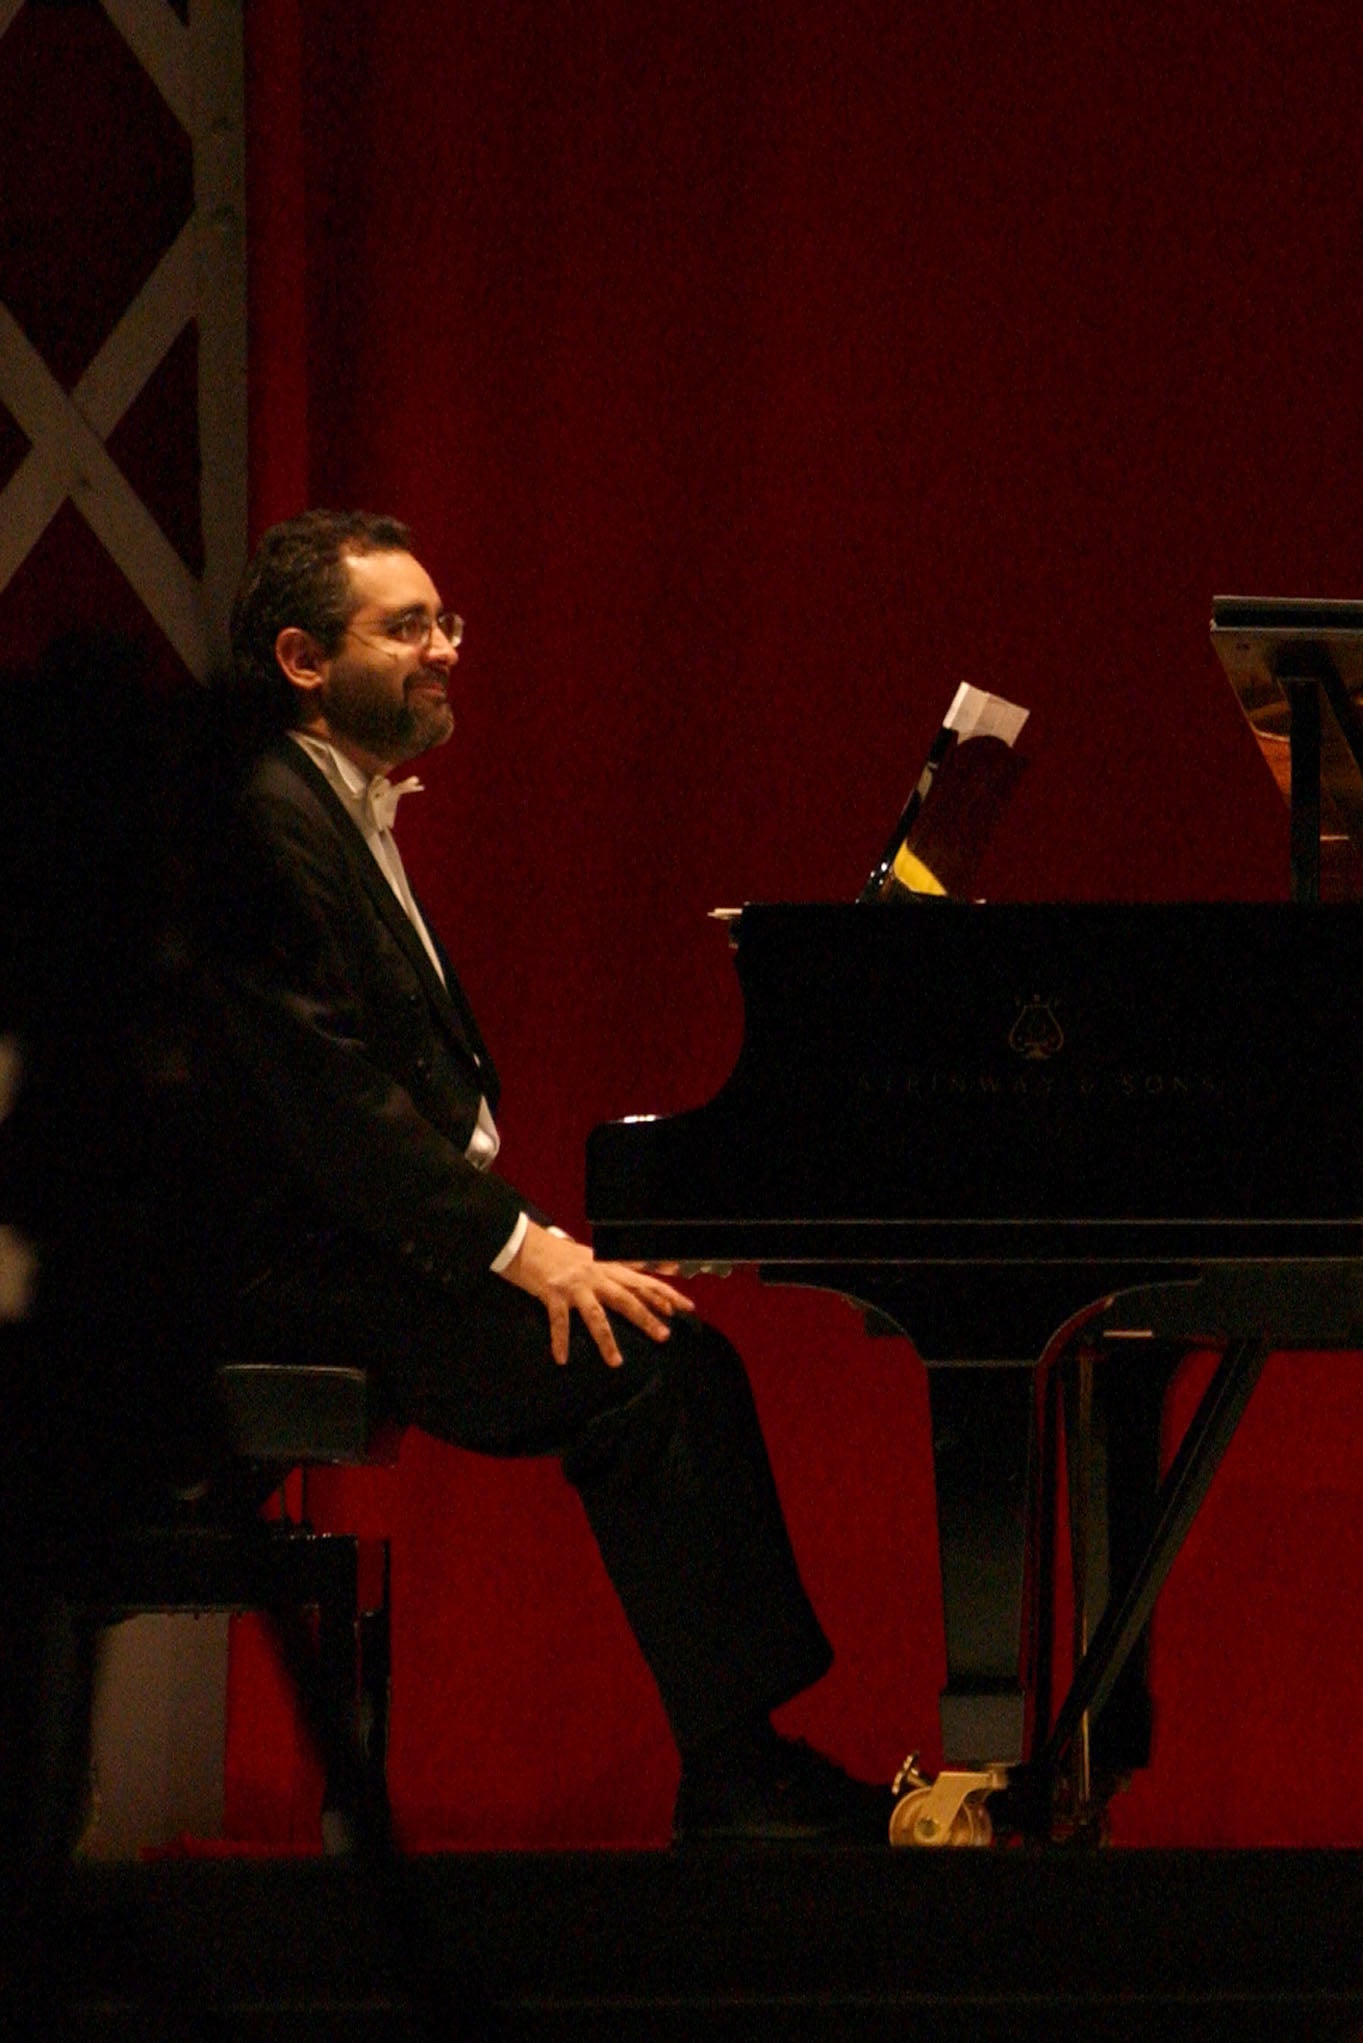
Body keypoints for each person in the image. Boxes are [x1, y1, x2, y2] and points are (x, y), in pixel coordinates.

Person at [202, 509, 890, 1845]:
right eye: (406, 626)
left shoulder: (326, 805)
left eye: (445, 621)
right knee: (655, 1372)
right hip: (292, 1271)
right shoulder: (263, 815)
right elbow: (331, 1106)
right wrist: (524, 1250)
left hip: (366, 1245)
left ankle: (742, 1762)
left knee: (670, 1357)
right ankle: (741, 1783)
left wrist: (527, 1242)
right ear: (300, 658)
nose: (446, 648)